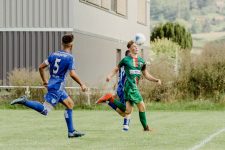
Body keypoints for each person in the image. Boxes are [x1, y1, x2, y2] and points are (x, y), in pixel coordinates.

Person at [11, 34, 87, 138]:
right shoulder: (70, 57)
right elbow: (72, 74)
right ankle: (25, 101)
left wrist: (44, 81)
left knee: (70, 104)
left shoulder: (53, 54)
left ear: (62, 43)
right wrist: (82, 84)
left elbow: (41, 67)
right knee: (45, 110)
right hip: (57, 87)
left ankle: (71, 131)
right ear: (71, 45)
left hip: (53, 84)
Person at [96, 40, 161, 131]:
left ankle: (110, 99)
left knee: (127, 111)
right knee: (141, 106)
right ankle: (146, 128)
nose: (136, 47)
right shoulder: (126, 60)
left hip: (134, 87)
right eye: (134, 46)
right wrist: (109, 76)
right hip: (129, 87)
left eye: (136, 46)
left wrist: (156, 80)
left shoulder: (142, 61)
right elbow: (116, 69)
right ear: (129, 49)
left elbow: (146, 74)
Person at [99, 50, 132, 131]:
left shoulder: (123, 63)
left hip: (121, 87)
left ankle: (109, 101)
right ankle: (125, 127)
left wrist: (109, 76)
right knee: (128, 110)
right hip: (125, 88)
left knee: (124, 112)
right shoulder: (128, 63)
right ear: (128, 55)